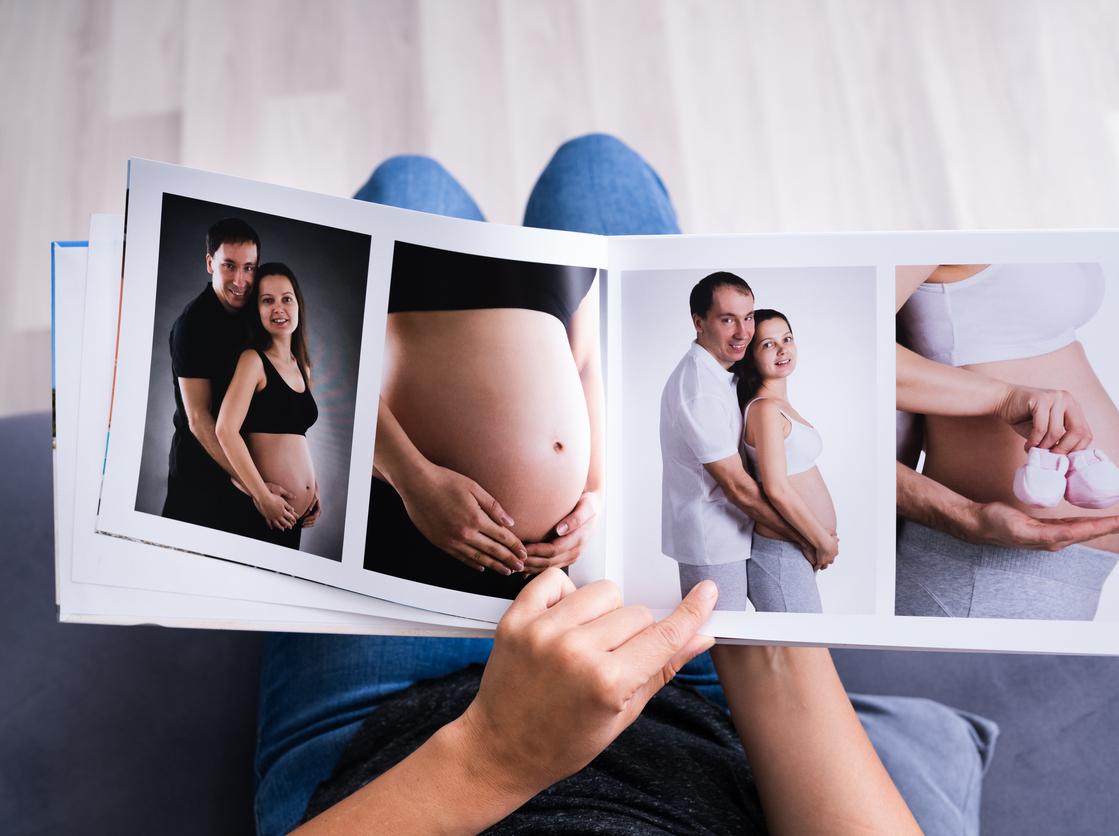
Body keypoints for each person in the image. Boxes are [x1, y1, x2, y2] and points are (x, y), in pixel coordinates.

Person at [255, 137, 997, 836]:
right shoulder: (712, 386)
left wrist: (495, 751)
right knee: (594, 166)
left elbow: (325, 366)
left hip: (396, 720)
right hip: (679, 677)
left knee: (414, 184)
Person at [895, 263, 1119, 620]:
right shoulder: (932, 221)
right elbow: (845, 355)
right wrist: (1001, 398)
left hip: (1063, 570)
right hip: (985, 570)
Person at [364, 224, 604, 600]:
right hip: (418, 518)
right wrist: (415, 480)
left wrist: (593, 494)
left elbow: (585, 362)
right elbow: (322, 358)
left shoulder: (572, 243)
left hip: (547, 569)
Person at [658, 274, 819, 611]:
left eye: (748, 317)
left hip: (746, 534)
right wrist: (806, 536)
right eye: (728, 319)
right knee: (724, 645)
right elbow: (737, 487)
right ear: (698, 322)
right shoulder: (699, 389)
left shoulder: (726, 377)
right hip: (713, 542)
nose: (743, 331)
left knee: (762, 647)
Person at [162, 219, 292, 528]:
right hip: (202, 482)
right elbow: (200, 421)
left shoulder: (257, 312)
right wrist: (257, 488)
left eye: (249, 268)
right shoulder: (192, 326)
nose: (241, 280)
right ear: (210, 263)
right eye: (229, 266)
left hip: (253, 482)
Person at [729, 309, 837, 613]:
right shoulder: (764, 409)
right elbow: (776, 488)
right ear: (750, 355)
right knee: (804, 650)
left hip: (793, 552)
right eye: (768, 344)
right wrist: (822, 541)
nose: (782, 349)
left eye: (787, 338)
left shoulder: (778, 405)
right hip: (780, 553)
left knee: (793, 654)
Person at [215, 263, 321, 549]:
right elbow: (225, 430)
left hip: (290, 517)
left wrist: (313, 489)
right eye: (267, 300)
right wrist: (261, 496)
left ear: (298, 305)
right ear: (256, 310)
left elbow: (294, 433)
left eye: (286, 299)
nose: (279, 308)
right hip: (259, 509)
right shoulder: (253, 361)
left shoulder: (303, 369)